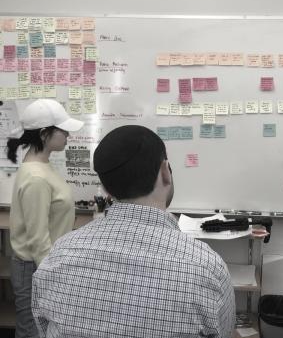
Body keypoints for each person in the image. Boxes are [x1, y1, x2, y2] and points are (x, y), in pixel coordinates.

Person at [31, 125, 236, 338]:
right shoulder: (206, 267)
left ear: (107, 188)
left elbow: (43, 327)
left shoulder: (59, 255)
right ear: (165, 171)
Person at [6, 98, 84, 338]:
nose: (68, 135)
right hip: (36, 268)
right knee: (32, 332)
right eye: (63, 130)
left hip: (41, 264)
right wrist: (53, 277)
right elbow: (38, 239)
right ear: (44, 134)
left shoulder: (41, 167)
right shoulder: (36, 178)